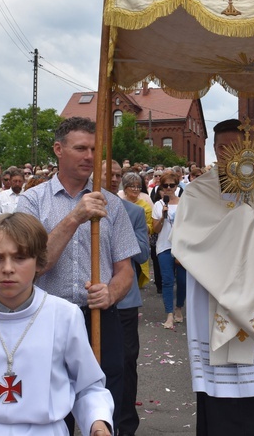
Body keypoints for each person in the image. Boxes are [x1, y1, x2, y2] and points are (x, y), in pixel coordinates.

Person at [0, 213, 114, 436]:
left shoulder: (64, 315)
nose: (7, 268)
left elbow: (88, 386)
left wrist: (98, 423)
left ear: (38, 261)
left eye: (20, 258)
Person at [172, 119, 254, 436]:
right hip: (214, 302)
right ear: (214, 150)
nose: (229, 154)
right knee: (219, 402)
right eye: (222, 148)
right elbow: (186, 245)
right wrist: (243, 227)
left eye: (235, 147)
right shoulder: (198, 193)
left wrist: (244, 225)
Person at [16, 117, 139, 435]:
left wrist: (111, 293)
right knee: (49, 404)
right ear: (58, 150)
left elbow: (126, 270)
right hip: (47, 319)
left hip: (98, 318)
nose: (89, 156)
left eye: (94, 150)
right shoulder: (32, 201)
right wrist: (76, 216)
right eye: (80, 148)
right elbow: (33, 265)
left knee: (104, 402)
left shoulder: (111, 203)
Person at [104, 162, 150, 436]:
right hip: (94, 297)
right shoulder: (86, 208)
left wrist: (120, 226)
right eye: (107, 174)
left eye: (117, 175)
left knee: (125, 362)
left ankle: (125, 424)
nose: (113, 179)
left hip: (125, 300)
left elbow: (143, 254)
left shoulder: (133, 211)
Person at [152, 170, 186, 329]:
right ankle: (169, 314)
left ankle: (179, 307)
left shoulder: (185, 202)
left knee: (182, 281)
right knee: (167, 281)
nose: (169, 188)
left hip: (182, 247)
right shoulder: (158, 205)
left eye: (172, 185)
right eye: (165, 186)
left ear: (177, 185)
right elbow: (156, 229)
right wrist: (162, 217)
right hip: (164, 246)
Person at [120, 172, 153, 288]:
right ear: (125, 188)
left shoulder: (145, 205)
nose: (135, 189)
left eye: (138, 187)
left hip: (138, 244)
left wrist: (141, 225)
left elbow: (151, 227)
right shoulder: (119, 202)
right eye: (132, 186)